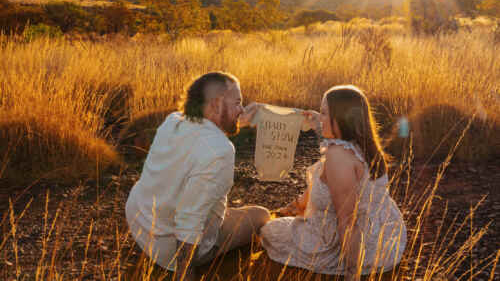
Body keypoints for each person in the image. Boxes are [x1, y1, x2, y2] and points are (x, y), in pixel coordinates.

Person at [126, 72, 270, 281]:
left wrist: (237, 119)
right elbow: (189, 219)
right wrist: (185, 273)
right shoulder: (220, 151)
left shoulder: (173, 121)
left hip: (139, 221)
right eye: (237, 103)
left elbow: (205, 136)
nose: (242, 109)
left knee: (199, 196)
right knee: (261, 215)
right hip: (167, 247)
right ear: (214, 105)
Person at [260, 85, 407, 281]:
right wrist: (316, 122)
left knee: (268, 231)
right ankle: (297, 207)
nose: (320, 118)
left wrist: (351, 274)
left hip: (354, 249)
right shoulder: (363, 144)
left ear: (342, 118)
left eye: (323, 113)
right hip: (385, 240)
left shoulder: (338, 156)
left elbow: (348, 220)